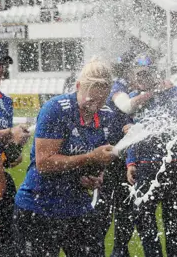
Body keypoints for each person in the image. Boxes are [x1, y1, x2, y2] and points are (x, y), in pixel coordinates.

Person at [14, 58, 125, 256]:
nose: (95, 106)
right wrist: (91, 157)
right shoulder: (56, 109)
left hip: (78, 207)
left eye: (101, 100)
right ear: (78, 86)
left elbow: (97, 161)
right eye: (91, 99)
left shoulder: (107, 115)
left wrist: (96, 177)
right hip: (39, 208)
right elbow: (44, 163)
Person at [125, 55, 177, 257]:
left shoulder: (171, 91)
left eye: (146, 73)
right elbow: (130, 136)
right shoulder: (133, 97)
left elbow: (169, 123)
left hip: (173, 166)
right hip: (145, 169)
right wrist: (130, 162)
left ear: (155, 73)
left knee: (176, 227)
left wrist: (138, 127)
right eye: (139, 74)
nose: (142, 78)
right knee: (145, 226)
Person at [96, 52, 147, 257]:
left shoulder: (125, 87)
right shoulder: (118, 86)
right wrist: (153, 92)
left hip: (121, 157)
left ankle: (118, 251)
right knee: (107, 212)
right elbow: (125, 106)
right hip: (111, 158)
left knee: (123, 211)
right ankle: (107, 251)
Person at [0, 45, 31, 256]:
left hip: (0, 182)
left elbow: (8, 158)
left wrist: (17, 144)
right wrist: (8, 132)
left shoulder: (5, 102)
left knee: (10, 248)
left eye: (0, 63)